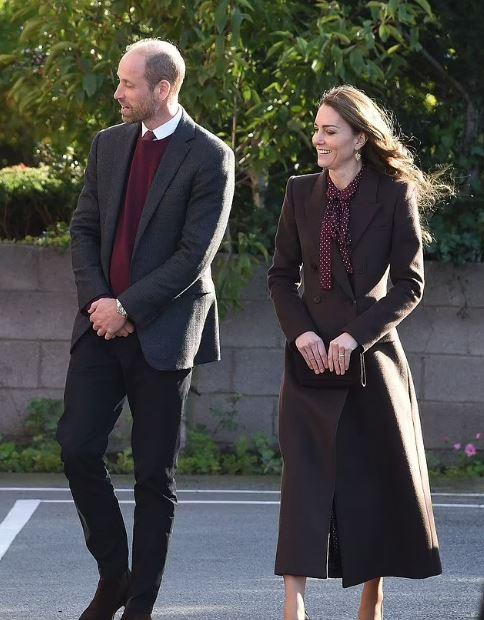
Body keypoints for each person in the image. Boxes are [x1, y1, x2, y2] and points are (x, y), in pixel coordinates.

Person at [56, 39, 234, 620]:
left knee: (153, 475)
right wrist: (101, 303)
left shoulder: (210, 156)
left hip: (163, 334)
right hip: (100, 330)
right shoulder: (107, 145)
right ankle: (115, 576)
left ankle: (141, 605)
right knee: (77, 447)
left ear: (163, 89)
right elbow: (83, 231)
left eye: (127, 84)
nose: (117, 93)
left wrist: (128, 307)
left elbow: (193, 256)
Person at [268, 85, 448, 620]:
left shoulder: (393, 194)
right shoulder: (300, 192)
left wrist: (354, 338)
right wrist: (303, 335)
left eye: (330, 131)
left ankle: (372, 598)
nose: (318, 139)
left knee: (370, 480)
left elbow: (409, 286)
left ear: (359, 138)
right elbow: (280, 276)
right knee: (302, 481)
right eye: (317, 129)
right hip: (309, 359)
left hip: (371, 359)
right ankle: (292, 607)